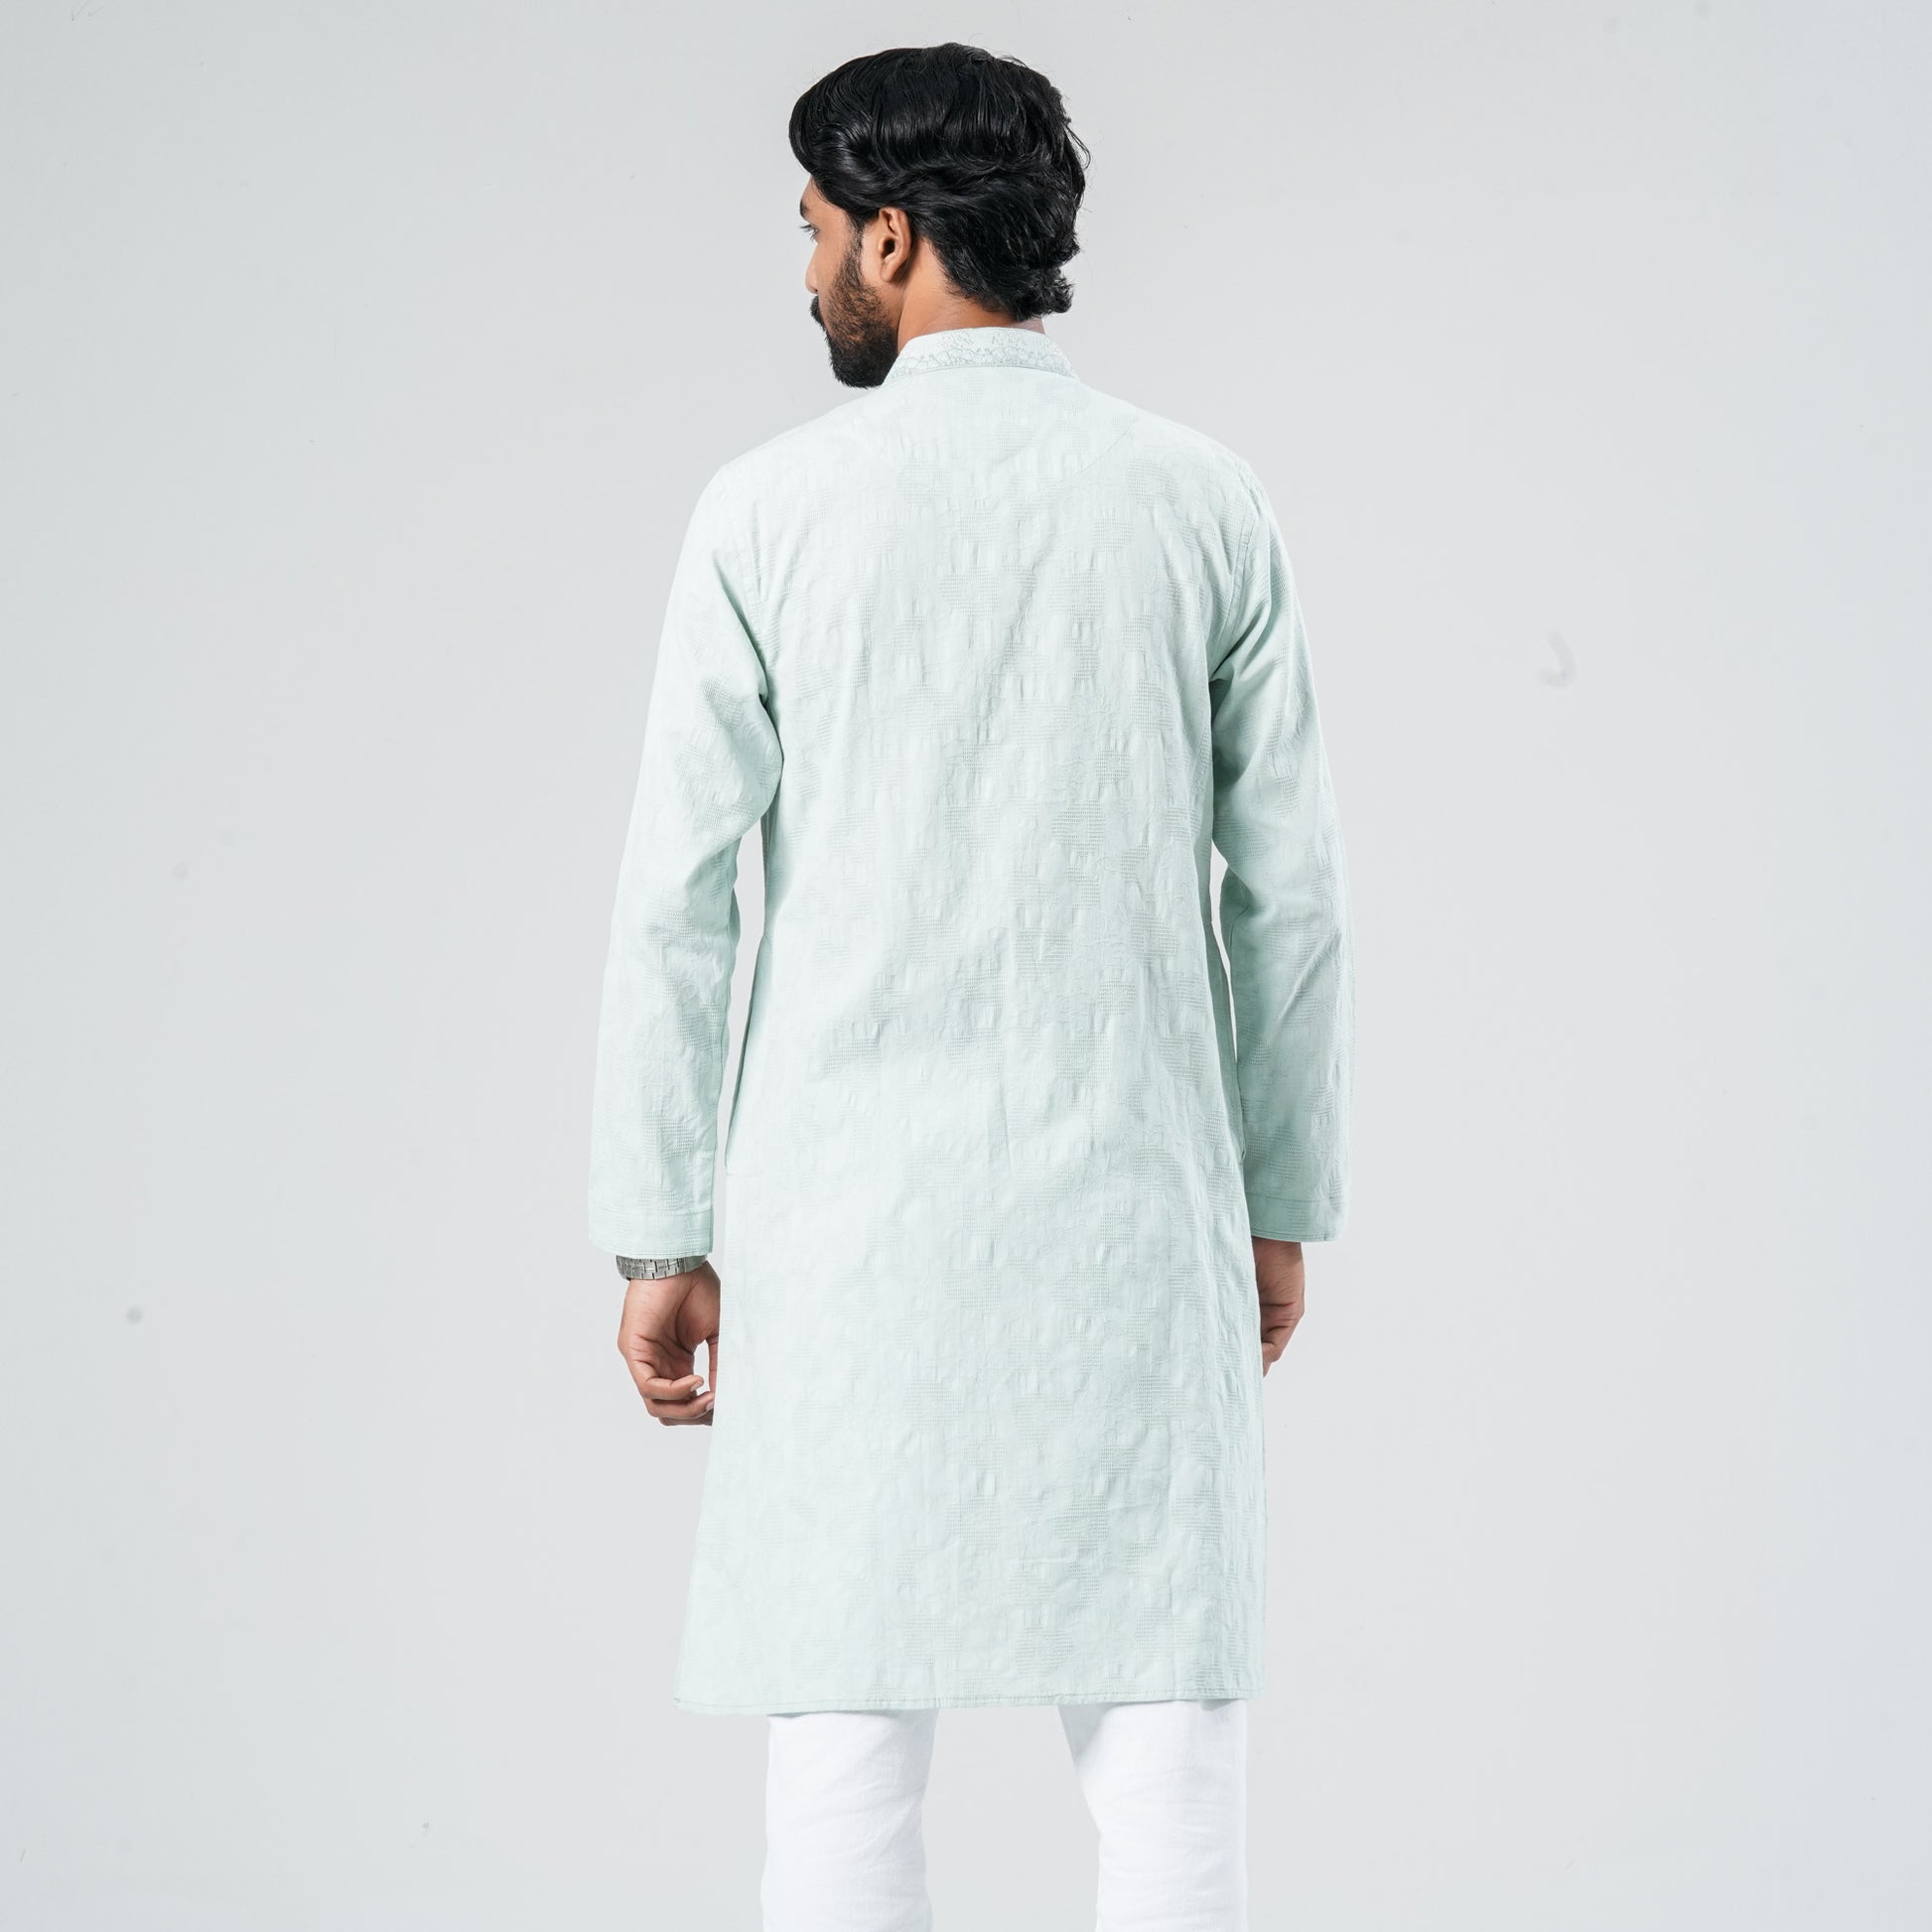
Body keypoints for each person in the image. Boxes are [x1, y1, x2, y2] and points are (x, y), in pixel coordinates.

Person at [587, 42, 1354, 1932]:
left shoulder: (768, 511)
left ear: (892, 237)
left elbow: (677, 900)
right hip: (1140, 1203)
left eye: (813, 231)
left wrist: (659, 1232)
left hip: (846, 1228)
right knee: (1166, 1749)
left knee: (843, 1744)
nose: (807, 272)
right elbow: (1291, 897)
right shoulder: (1199, 499)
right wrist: (1275, 1198)